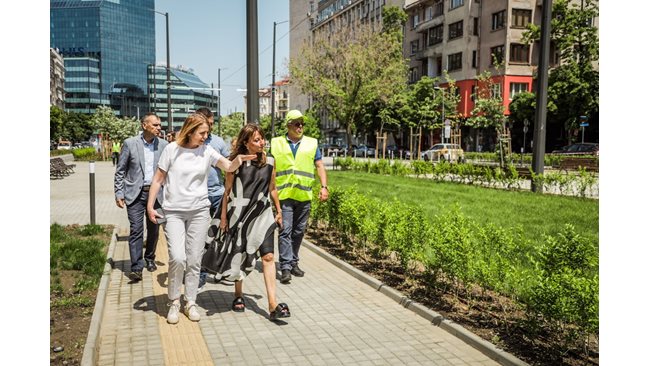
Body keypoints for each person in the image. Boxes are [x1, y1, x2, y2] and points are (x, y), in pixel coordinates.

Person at [146, 113, 255, 324]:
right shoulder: (172, 150)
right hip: (174, 212)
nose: (206, 136)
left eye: (207, 133)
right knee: (178, 257)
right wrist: (151, 206)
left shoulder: (206, 151)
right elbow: (158, 179)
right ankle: (173, 302)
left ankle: (190, 302)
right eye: (202, 133)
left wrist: (239, 159)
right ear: (191, 130)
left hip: (199, 212)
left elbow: (228, 166)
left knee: (194, 260)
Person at [206, 123, 290, 321]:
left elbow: (273, 188)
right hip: (240, 216)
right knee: (240, 255)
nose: (262, 143)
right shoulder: (235, 162)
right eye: (257, 140)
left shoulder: (270, 161)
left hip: (263, 215)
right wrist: (224, 218)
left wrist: (278, 211)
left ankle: (272, 304)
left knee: (268, 257)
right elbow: (227, 192)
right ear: (246, 142)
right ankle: (238, 294)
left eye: (262, 139)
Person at [270, 110, 329, 284]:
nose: (300, 126)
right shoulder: (277, 143)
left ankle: (294, 261)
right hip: (284, 195)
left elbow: (319, 166)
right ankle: (286, 267)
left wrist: (324, 187)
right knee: (285, 231)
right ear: (288, 125)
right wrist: (270, 190)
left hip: (304, 194)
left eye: (302, 123)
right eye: (296, 123)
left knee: (299, 231)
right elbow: (272, 170)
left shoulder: (311, 143)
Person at [114, 113, 168, 282]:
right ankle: (136, 266)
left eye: (159, 125)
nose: (159, 128)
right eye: (155, 125)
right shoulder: (130, 144)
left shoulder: (165, 145)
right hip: (135, 194)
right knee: (136, 229)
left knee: (154, 229)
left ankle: (150, 258)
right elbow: (120, 170)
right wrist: (119, 192)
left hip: (157, 194)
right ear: (144, 125)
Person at [195, 107, 230, 292]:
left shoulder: (217, 142)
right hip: (198, 197)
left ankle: (219, 270)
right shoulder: (191, 142)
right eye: (209, 122)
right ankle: (200, 275)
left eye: (212, 122)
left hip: (218, 195)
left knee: (219, 235)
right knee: (200, 237)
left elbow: (229, 165)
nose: (211, 125)